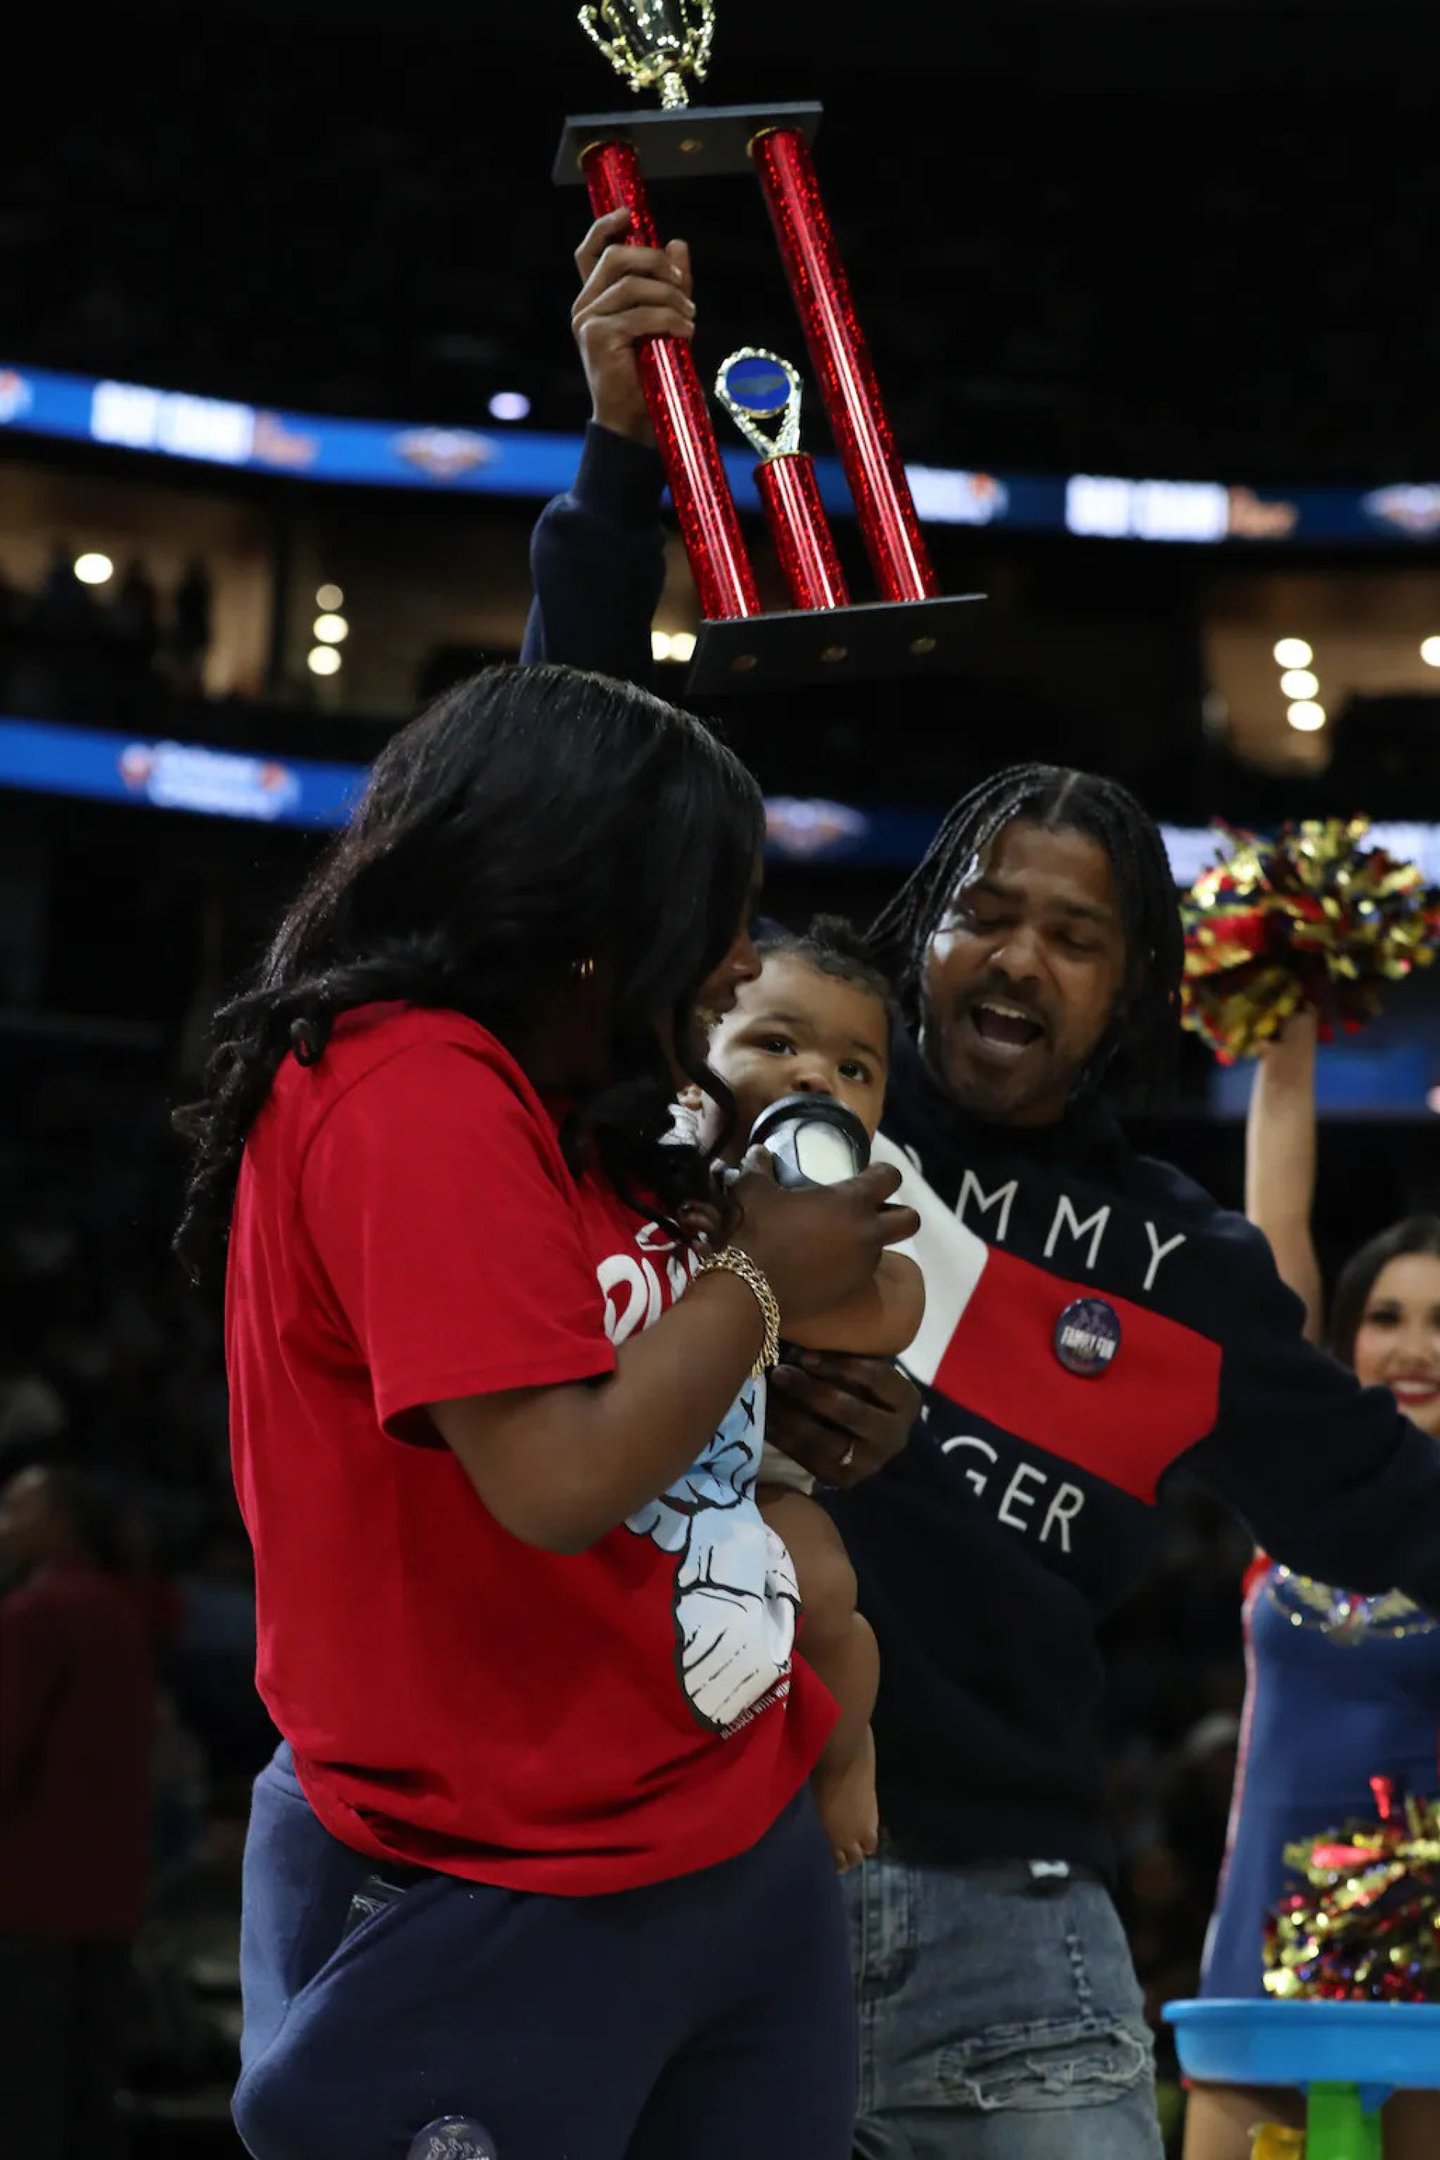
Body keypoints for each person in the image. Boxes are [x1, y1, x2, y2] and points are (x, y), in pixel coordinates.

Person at [519, 213, 1440, 2159]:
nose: (1019, 962)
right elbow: (573, 839)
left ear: (1135, 999)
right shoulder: (785, 1125)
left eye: (1079, 937)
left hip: (1016, 1951)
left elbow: (1384, 1504)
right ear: (920, 934)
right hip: (701, 1883)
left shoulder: (1186, 1273)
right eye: (987, 915)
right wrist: (617, 467)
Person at [173, 662, 918, 2160]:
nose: (730, 960)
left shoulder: (567, 1081)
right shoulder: (411, 1086)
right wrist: (757, 1288)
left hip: (714, 1819)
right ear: (592, 910)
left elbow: (650, 1386)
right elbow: (555, 1475)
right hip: (496, 1861)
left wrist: (800, 1393)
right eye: (714, 905)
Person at [1185, 1010, 1440, 2160]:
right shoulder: (1309, 1487)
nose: (1411, 1346)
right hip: (1257, 1950)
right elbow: (1269, 1232)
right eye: (1385, 1317)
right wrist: (1282, 1030)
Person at [688, 916, 925, 1870]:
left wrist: (780, 1269)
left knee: (825, 1590)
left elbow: (895, 1306)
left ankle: (844, 1755)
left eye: (855, 1068)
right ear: (699, 1046)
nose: (815, 1078)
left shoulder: (857, 1201)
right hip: (643, 1476)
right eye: (774, 1044)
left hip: (760, 1480)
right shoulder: (665, 1155)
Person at [0, 1456, 154, 2160]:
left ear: (60, 1522)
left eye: (17, 1507)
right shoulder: (123, 1609)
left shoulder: (35, 1613)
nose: (4, 1522)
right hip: (110, 1890)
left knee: (25, 2096)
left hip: (27, 1891)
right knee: (88, 2095)